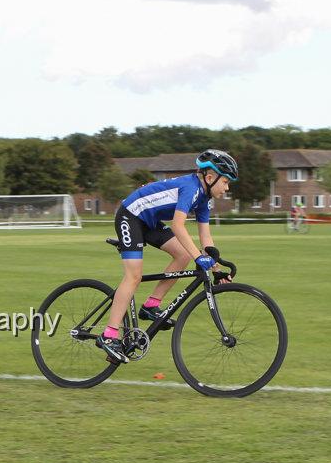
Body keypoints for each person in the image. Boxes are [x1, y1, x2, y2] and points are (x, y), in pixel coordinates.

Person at [97, 149, 237, 363]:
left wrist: (216, 269)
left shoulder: (205, 200)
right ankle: (109, 335)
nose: (227, 188)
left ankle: (151, 305)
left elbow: (205, 237)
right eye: (226, 182)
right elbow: (178, 226)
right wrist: (199, 258)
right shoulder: (191, 188)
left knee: (182, 254)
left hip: (150, 222)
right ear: (210, 177)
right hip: (131, 216)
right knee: (134, 276)